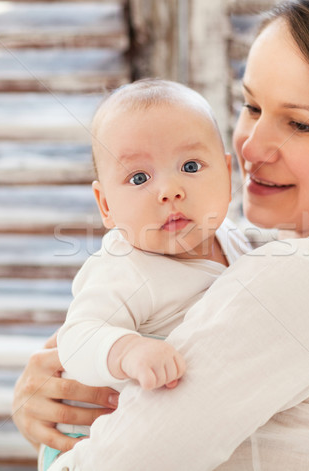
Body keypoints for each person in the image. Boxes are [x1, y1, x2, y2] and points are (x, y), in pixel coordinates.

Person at [13, 1, 309, 469]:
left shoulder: (297, 279)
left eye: (301, 124)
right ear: (104, 205)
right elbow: (86, 336)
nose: (251, 148)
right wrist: (79, 370)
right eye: (252, 106)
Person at [39, 79, 251, 470]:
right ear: (105, 205)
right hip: (91, 442)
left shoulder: (236, 239)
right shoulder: (124, 267)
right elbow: (78, 337)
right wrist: (127, 351)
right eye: (139, 178)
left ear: (226, 173)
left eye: (190, 166)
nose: (169, 190)